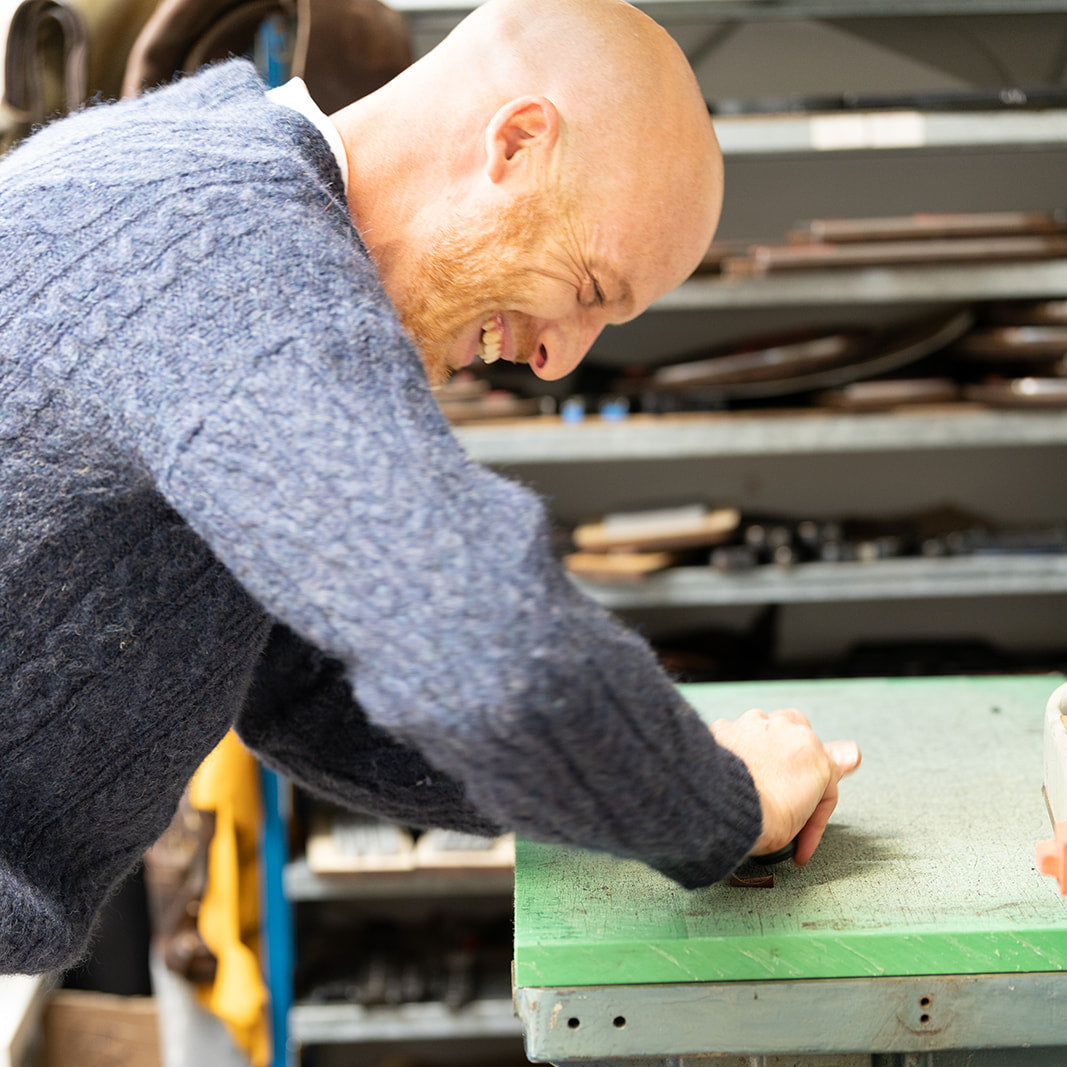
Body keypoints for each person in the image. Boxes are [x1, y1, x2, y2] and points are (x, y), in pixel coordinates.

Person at [0, 0, 860, 975]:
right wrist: (728, 796)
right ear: (516, 141)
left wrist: (650, 771)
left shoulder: (186, 156)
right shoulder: (240, 263)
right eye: (588, 289)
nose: (554, 360)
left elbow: (309, 679)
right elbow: (484, 648)